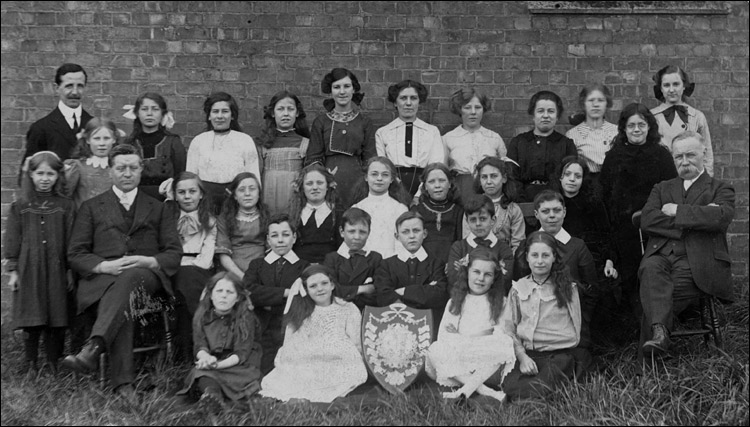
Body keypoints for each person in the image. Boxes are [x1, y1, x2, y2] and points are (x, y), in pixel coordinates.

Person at [62, 143, 182, 397]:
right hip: (101, 282)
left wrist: (146, 261)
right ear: (111, 171)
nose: (127, 173)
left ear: (141, 170)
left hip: (147, 281)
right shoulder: (92, 207)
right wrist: (104, 265)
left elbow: (173, 252)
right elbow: (75, 253)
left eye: (132, 168)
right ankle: (123, 384)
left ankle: (94, 347)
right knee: (123, 299)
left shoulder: (158, 207)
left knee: (130, 276)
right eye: (121, 168)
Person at [638, 132, 735, 358]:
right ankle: (660, 339)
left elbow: (721, 217)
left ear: (703, 153)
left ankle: (650, 362)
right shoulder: (662, 188)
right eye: (678, 156)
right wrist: (697, 219)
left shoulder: (721, 188)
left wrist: (677, 211)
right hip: (661, 256)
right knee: (650, 269)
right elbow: (648, 220)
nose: (684, 162)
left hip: (699, 262)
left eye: (690, 155)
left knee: (654, 295)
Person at [599, 103, 678, 320]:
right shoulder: (614, 156)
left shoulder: (661, 155)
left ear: (649, 127)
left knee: (654, 270)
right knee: (629, 271)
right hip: (624, 227)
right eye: (631, 125)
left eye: (641, 125)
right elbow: (606, 193)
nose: (636, 129)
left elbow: (670, 190)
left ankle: (658, 319)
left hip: (655, 224)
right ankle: (634, 323)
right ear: (624, 128)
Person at [4, 151, 75, 374]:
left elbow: (73, 239)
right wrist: (14, 271)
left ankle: (54, 361)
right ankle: (31, 361)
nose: (45, 178)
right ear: (31, 175)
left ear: (58, 176)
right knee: (32, 312)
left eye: (50, 174)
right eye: (40, 173)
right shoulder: (21, 206)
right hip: (29, 268)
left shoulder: (66, 205)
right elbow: (13, 239)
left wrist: (71, 270)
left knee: (57, 312)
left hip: (57, 268)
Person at [501, 231, 593, 400]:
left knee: (542, 386)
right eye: (534, 255)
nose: (540, 261)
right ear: (527, 257)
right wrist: (522, 357)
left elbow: (577, 327)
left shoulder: (568, 288)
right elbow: (509, 328)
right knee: (510, 385)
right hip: (529, 354)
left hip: (558, 355)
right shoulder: (518, 288)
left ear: (554, 257)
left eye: (545, 255)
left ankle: (541, 393)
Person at [260, 265, 367, 403]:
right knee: (298, 372)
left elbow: (356, 342)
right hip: (308, 356)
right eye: (313, 286)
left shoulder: (347, 308)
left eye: (324, 283)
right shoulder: (300, 310)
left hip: (337, 357)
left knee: (344, 369)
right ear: (306, 290)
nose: (320, 289)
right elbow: (290, 342)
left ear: (332, 285)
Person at [426, 247, 515, 402]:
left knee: (505, 342)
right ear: (467, 272)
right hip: (460, 364)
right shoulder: (455, 302)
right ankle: (485, 391)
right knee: (435, 349)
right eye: (476, 272)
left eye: (487, 274)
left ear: (494, 278)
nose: (481, 278)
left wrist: (464, 337)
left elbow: (500, 333)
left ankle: (464, 391)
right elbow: (444, 336)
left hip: (487, 364)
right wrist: (477, 336)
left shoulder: (501, 302)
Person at [513, 190, 600, 348]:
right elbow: (519, 286)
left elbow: (591, 289)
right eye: (545, 211)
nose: (551, 216)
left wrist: (580, 321)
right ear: (536, 214)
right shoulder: (526, 246)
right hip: (533, 324)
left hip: (568, 324)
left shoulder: (577, 246)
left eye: (557, 210)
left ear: (564, 212)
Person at [177, 272, 262, 407]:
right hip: (212, 363)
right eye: (219, 291)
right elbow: (199, 345)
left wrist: (217, 365)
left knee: (211, 374)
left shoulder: (245, 318)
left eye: (229, 292)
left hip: (239, 366)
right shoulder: (202, 316)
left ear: (238, 298)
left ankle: (215, 398)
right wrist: (205, 358)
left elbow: (242, 353)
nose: (223, 295)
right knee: (201, 373)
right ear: (211, 295)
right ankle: (212, 396)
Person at [242, 214, 311, 374]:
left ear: (294, 238)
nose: (280, 240)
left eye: (286, 235)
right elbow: (250, 291)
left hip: (290, 326)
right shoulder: (257, 265)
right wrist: (287, 292)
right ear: (268, 240)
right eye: (275, 235)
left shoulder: (303, 266)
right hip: (262, 325)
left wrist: (266, 297)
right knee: (261, 368)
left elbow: (303, 296)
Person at [164, 172, 218, 360]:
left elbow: (206, 257)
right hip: (172, 267)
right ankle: (192, 347)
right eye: (181, 192)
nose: (187, 197)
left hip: (198, 269)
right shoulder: (167, 218)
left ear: (201, 194)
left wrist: (189, 266)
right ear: (175, 195)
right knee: (181, 282)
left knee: (187, 281)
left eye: (192, 191)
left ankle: (194, 346)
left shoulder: (209, 221)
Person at [306, 68, 376, 209]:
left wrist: (366, 181)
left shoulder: (364, 122)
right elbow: (313, 157)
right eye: (337, 87)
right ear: (330, 91)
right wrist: (324, 178)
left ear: (353, 89)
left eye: (346, 86)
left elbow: (370, 158)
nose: (342, 92)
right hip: (329, 181)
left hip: (358, 181)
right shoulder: (321, 122)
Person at [186, 92, 261, 214]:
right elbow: (191, 178)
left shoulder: (245, 140)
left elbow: (254, 177)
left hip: (235, 200)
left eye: (225, 111)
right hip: (206, 202)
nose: (220, 116)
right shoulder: (198, 141)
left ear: (232, 115)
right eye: (215, 112)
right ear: (209, 116)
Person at [374, 211, 449, 324]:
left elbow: (439, 296)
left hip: (428, 323)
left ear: (424, 233)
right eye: (405, 232)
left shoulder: (436, 263)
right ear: (397, 236)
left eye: (416, 230)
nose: (412, 236)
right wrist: (423, 291)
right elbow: (383, 298)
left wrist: (403, 291)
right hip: (395, 324)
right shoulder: (387, 265)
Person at [376, 79, 445, 196]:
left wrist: (419, 195)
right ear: (395, 102)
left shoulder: (432, 131)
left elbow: (435, 165)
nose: (408, 103)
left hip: (425, 187)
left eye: (413, 98)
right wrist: (398, 191)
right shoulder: (383, 132)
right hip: (393, 188)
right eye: (403, 98)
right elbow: (383, 166)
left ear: (419, 101)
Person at [21, 63, 93, 173]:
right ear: (57, 88)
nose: (75, 92)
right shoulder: (41, 128)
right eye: (69, 86)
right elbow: (28, 174)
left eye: (80, 86)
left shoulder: (94, 126)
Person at [507, 90, 577, 202]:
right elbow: (511, 176)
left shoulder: (566, 144)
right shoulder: (518, 142)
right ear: (533, 116)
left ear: (557, 116)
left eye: (551, 111)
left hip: (556, 202)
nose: (545, 116)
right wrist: (522, 202)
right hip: (523, 201)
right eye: (540, 111)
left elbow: (569, 177)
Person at [443, 88, 507, 202]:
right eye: (467, 107)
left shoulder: (494, 138)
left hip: (488, 190)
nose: (473, 112)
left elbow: (503, 168)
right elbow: (442, 170)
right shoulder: (448, 138)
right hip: (460, 191)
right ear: (460, 110)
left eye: (478, 107)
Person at [651, 65, 714, 176]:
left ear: (684, 86)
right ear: (660, 88)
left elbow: (707, 153)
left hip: (691, 176)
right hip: (662, 178)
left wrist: (706, 182)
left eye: (676, 84)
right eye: (666, 85)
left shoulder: (697, 116)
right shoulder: (651, 117)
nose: (671, 90)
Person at [122, 92, 186, 201]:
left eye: (155, 109)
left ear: (162, 113)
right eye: (144, 109)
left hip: (166, 197)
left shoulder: (173, 142)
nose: (149, 113)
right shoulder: (129, 143)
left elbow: (180, 173)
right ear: (137, 113)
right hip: (135, 198)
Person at [258, 90, 311, 217]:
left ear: (297, 113)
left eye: (290, 109)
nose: (286, 114)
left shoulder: (305, 143)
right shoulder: (262, 144)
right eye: (280, 109)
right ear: (272, 113)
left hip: (294, 198)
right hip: (268, 197)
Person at [447, 195, 514, 295]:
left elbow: (504, 282)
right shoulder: (459, 248)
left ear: (493, 220)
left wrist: (464, 271)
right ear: (467, 222)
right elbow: (454, 280)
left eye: (483, 219)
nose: (478, 224)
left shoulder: (504, 250)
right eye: (473, 220)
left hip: (495, 301)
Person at [351, 156, 411, 258]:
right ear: (366, 177)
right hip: (362, 263)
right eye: (374, 174)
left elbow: (402, 244)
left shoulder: (400, 209)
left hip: (390, 264)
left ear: (392, 179)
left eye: (385, 175)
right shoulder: (357, 208)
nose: (379, 178)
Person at [323, 207, 381, 310]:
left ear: (369, 233)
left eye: (362, 232)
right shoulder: (332, 259)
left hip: (365, 311)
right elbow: (331, 290)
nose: (357, 237)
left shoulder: (375, 258)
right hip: (337, 311)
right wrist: (362, 289)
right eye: (351, 231)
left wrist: (346, 292)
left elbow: (377, 291)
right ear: (342, 231)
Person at [215, 172, 268, 278]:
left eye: (252, 189)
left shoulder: (268, 216)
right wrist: (242, 277)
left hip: (263, 269)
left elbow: (273, 251)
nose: (247, 194)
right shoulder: (224, 219)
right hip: (232, 271)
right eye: (241, 190)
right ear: (234, 195)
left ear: (259, 193)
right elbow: (223, 255)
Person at [411, 163, 464, 264]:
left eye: (442, 180)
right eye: (431, 181)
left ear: (449, 184)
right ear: (425, 186)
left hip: (451, 261)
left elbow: (460, 240)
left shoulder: (458, 210)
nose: (437, 185)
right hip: (424, 263)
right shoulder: (417, 210)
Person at [564, 84, 618, 183]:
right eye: (591, 100)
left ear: (607, 104)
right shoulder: (572, 135)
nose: (596, 105)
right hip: (586, 185)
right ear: (583, 104)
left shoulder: (617, 132)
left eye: (600, 100)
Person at [289, 163, 341, 264]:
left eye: (320, 183)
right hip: (300, 267)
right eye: (309, 184)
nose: (315, 187)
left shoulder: (338, 213)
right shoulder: (294, 213)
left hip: (329, 267)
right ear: (302, 188)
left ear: (327, 186)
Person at [472, 157, 525, 254]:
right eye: (484, 177)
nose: (488, 181)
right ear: (479, 180)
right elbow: (468, 240)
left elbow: (518, 244)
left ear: (504, 178)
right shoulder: (472, 207)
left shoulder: (513, 209)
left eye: (494, 176)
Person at [63, 118, 119, 208]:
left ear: (114, 139)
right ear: (88, 140)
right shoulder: (77, 167)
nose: (102, 143)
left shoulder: (119, 167)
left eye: (106, 138)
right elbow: (65, 197)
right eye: (96, 138)